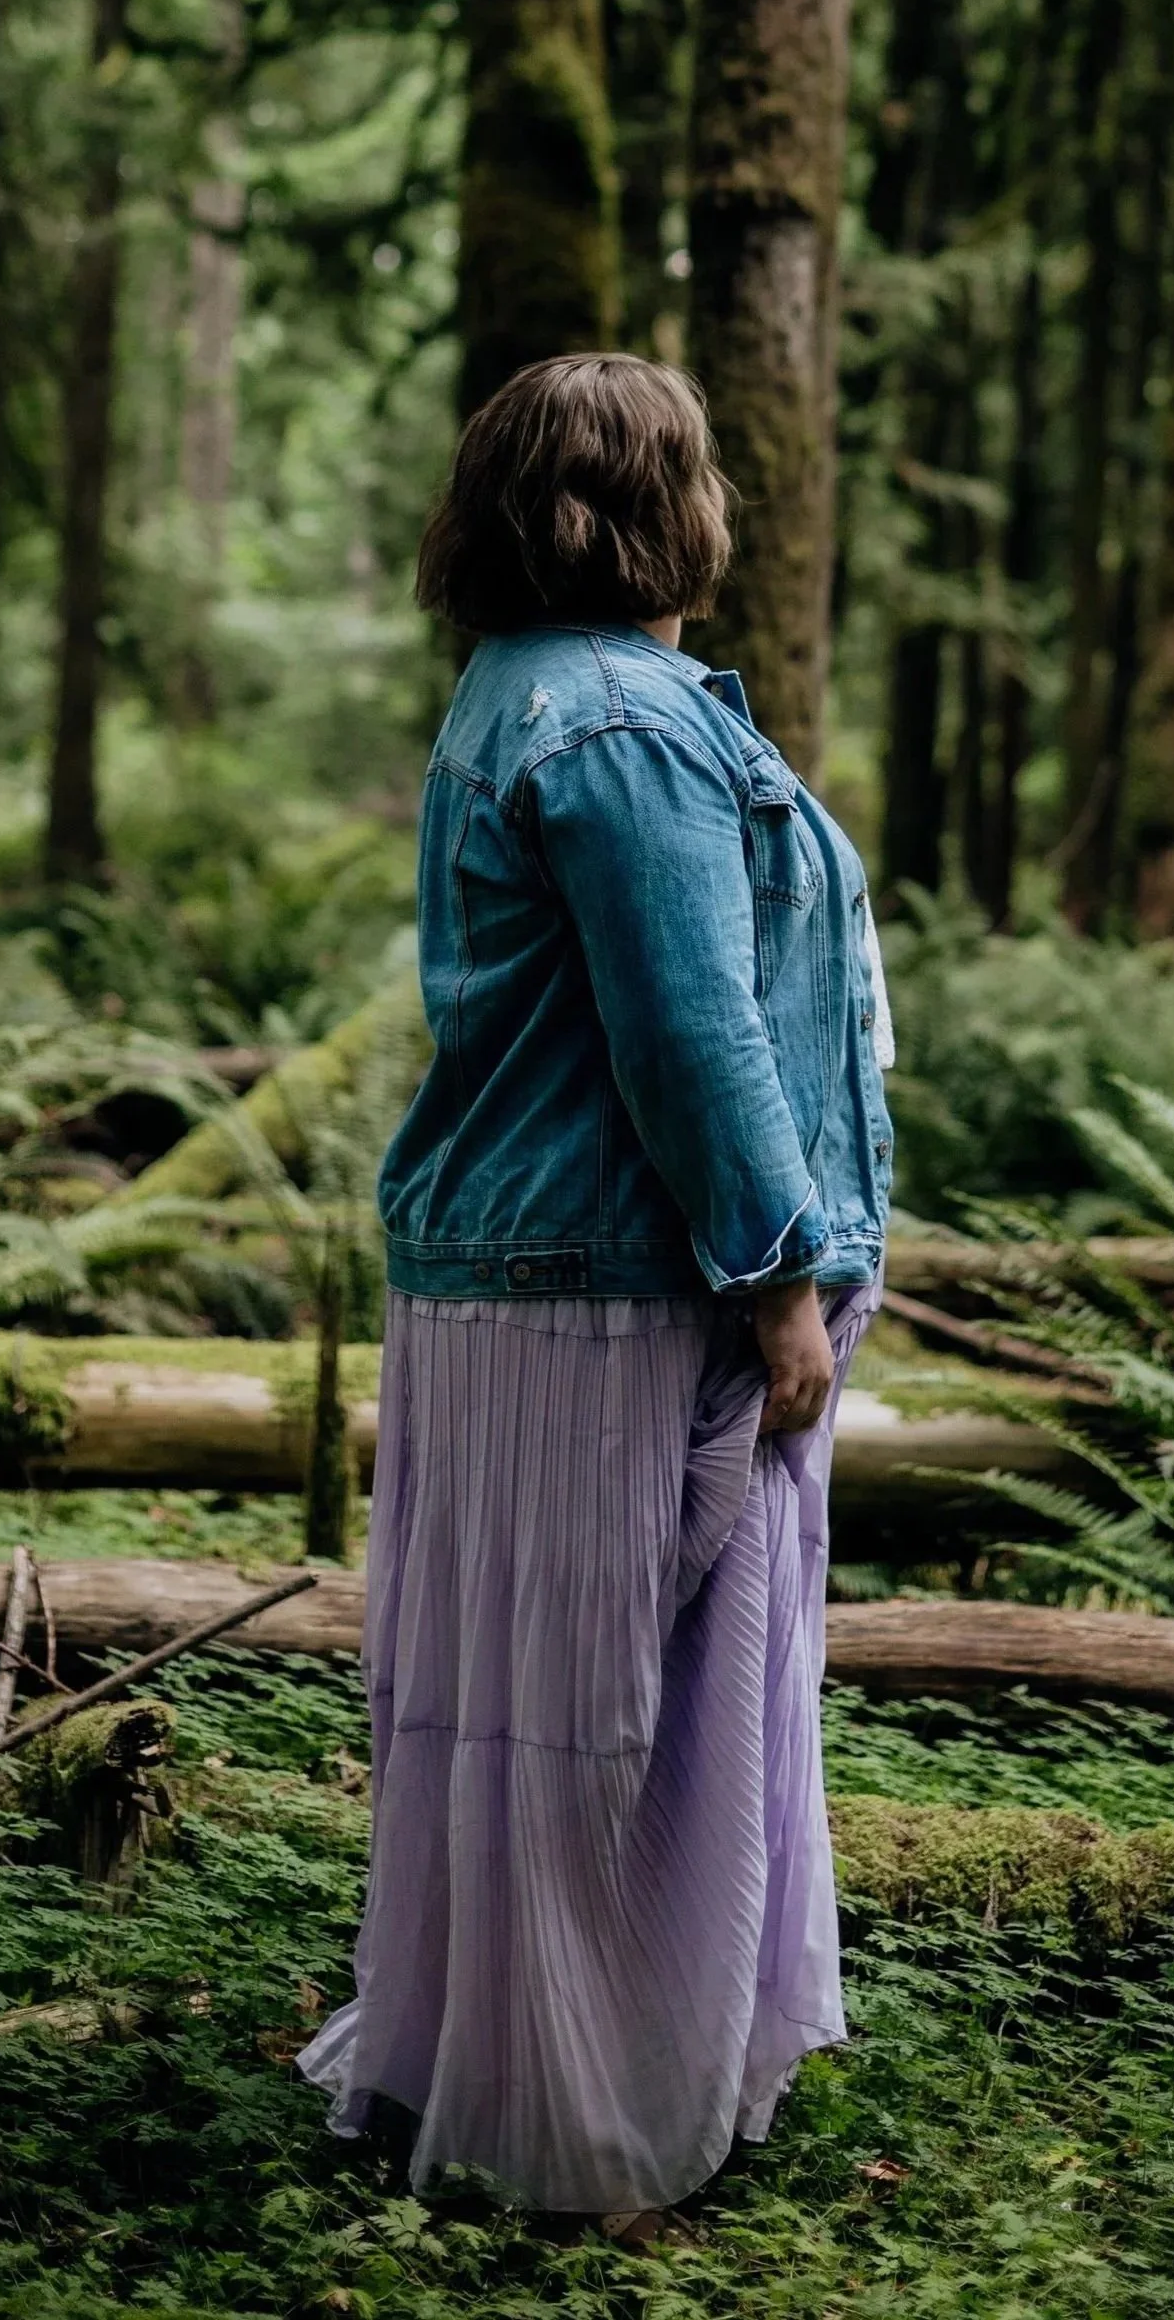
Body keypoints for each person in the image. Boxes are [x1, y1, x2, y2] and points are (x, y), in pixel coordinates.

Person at [299, 352, 895, 2226]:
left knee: (528, 1709)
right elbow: (690, 1031)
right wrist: (780, 1277)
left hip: (532, 1274)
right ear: (661, 506)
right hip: (606, 1288)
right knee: (605, 1724)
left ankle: (507, 2069)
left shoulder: (526, 689)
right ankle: (576, 2131)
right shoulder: (621, 724)